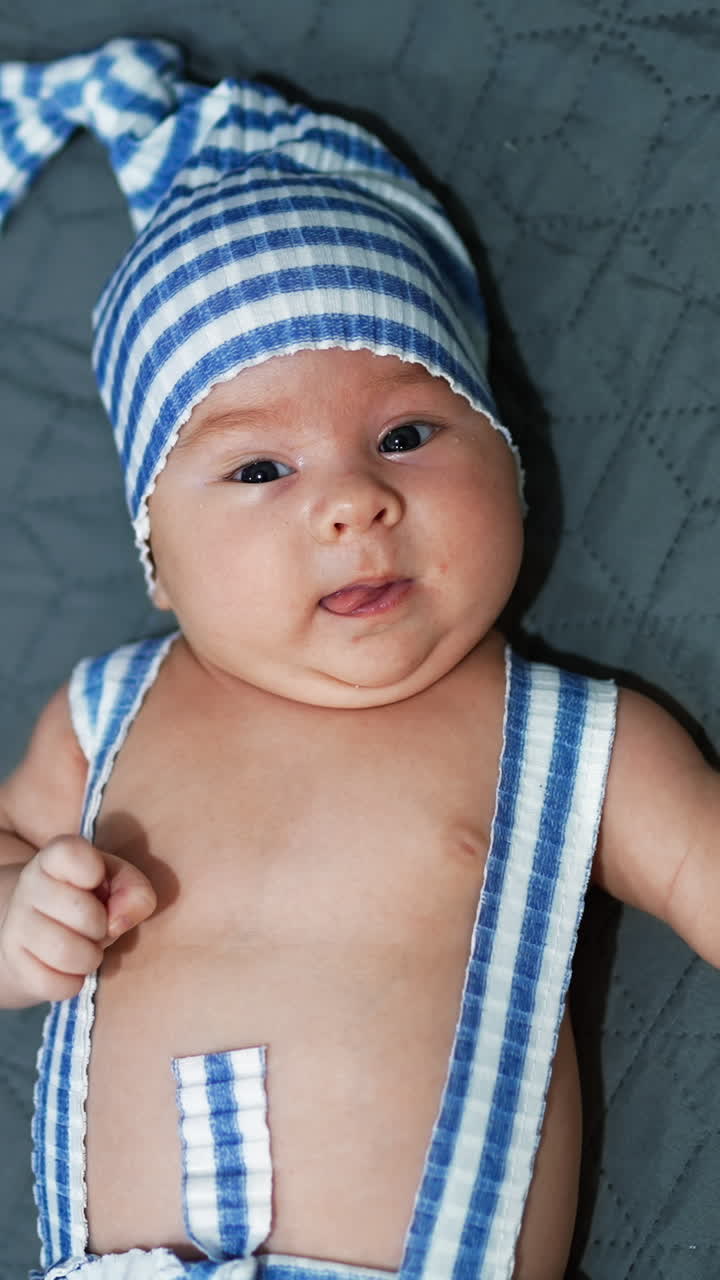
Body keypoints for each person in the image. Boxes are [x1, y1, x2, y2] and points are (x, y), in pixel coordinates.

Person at [0, 37, 717, 1280]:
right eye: (260, 468)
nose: (352, 502)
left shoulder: (572, 739)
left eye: (408, 430)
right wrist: (18, 915)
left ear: (504, 456)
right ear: (156, 556)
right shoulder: (101, 715)